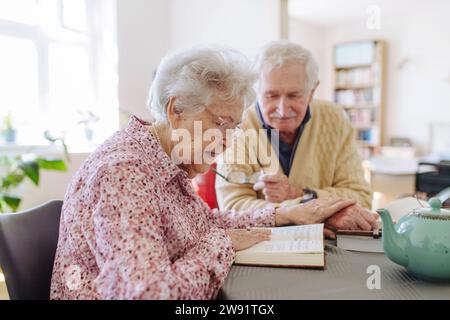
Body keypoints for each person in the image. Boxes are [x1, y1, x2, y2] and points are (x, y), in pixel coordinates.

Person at [50, 46, 355, 300]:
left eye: (233, 127)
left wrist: (283, 214)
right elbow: (147, 295)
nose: (228, 140)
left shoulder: (163, 157)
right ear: (176, 109)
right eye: (221, 123)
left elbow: (202, 222)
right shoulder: (123, 171)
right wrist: (222, 243)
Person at [215, 40, 378, 235]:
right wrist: (317, 214)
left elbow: (361, 196)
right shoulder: (238, 123)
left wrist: (299, 194)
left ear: (312, 92)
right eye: (271, 96)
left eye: (294, 95)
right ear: (257, 91)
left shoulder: (334, 118)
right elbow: (232, 207)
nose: (283, 110)